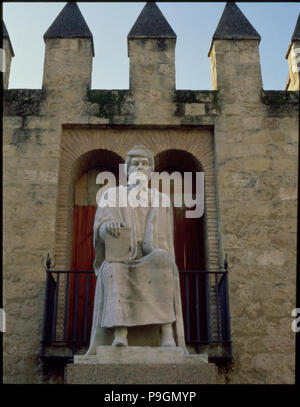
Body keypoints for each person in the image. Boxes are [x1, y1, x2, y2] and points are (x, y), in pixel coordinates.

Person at [85, 145, 186, 354]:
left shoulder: (161, 200)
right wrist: (107, 227)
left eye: (144, 163)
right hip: (122, 257)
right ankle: (120, 334)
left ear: (150, 170)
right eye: (135, 163)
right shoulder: (112, 195)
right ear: (128, 170)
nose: (140, 167)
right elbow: (100, 227)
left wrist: (156, 252)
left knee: (164, 260)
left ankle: (167, 333)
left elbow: (165, 240)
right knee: (113, 268)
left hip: (150, 256)